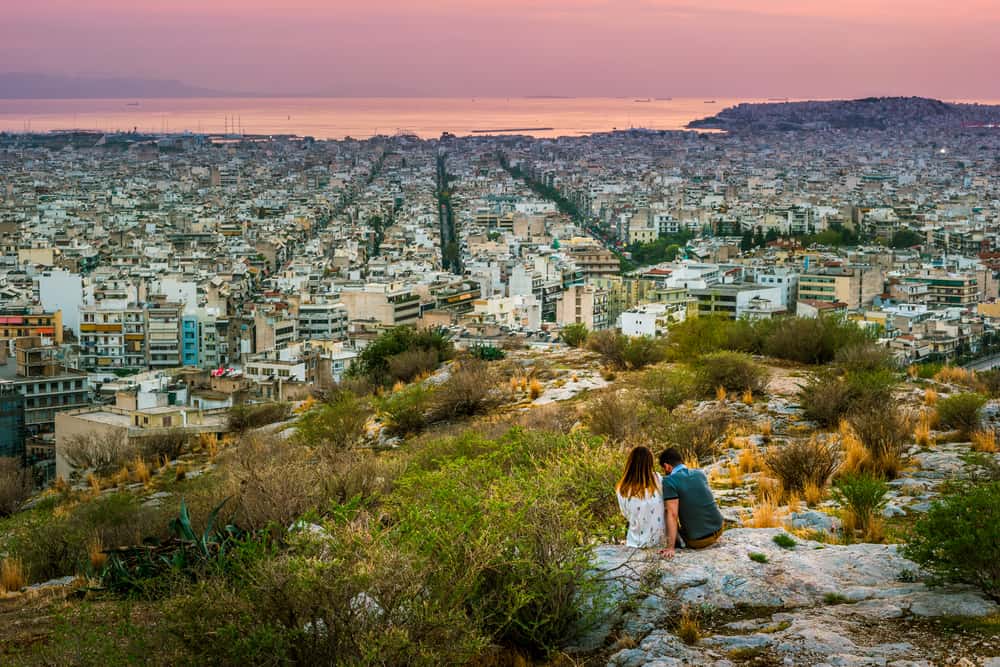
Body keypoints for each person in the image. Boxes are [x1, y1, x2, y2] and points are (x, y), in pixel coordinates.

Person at [658, 448, 724, 558]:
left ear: (667, 466)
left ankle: (675, 544)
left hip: (698, 541)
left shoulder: (669, 481)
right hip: (719, 529)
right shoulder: (700, 473)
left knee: (667, 512)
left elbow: (672, 515)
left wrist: (670, 547)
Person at [616, 445, 666, 548]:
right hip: (659, 541)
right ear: (650, 463)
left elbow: (625, 514)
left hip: (635, 543)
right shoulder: (657, 479)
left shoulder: (621, 489)